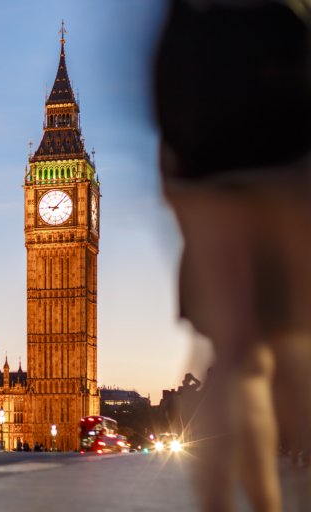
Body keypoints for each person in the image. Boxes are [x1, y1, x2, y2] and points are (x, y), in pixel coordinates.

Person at [153, 1, 311, 510]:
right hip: (286, 160)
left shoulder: (190, 16)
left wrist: (179, 187)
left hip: (205, 168)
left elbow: (167, 81)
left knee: (237, 353)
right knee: (291, 344)